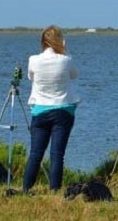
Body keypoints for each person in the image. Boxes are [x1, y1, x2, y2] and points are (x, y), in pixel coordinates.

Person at [23, 25, 80, 192]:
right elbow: (74, 75)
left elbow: (30, 76)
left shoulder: (33, 60)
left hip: (40, 110)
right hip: (63, 110)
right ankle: (54, 189)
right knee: (57, 154)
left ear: (43, 41)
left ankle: (26, 188)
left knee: (35, 153)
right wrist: (64, 52)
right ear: (60, 41)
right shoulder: (66, 59)